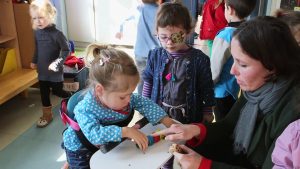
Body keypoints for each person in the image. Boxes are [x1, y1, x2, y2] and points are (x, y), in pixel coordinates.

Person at [154, 16, 300, 169]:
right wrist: (194, 129)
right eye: (234, 60)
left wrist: (204, 165)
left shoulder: (292, 114)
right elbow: (229, 125)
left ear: (273, 66)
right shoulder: (258, 86)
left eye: (242, 64)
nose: (232, 70)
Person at [62, 44, 175, 169]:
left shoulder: (121, 94)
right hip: (81, 149)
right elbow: (95, 135)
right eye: (123, 97)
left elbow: (144, 103)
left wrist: (166, 120)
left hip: (107, 145)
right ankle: (69, 162)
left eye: (130, 94)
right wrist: (126, 131)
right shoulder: (85, 109)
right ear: (100, 90)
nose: (129, 99)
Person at [142, 2, 215, 125]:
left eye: (176, 37)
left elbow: (207, 87)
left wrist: (207, 111)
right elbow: (148, 80)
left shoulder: (200, 59)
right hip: (159, 115)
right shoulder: (155, 55)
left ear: (187, 31)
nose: (169, 42)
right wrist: (144, 105)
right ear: (157, 33)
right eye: (163, 37)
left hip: (189, 118)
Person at [210, 0, 256, 121]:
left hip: (220, 91)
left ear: (229, 9)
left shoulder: (225, 36)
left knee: (221, 122)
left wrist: (207, 86)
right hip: (235, 89)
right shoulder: (248, 31)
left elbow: (215, 68)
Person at [29, 0, 71, 128]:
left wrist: (57, 63)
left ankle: (71, 98)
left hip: (55, 71)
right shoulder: (37, 33)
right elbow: (37, 48)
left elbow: (66, 50)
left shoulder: (57, 34)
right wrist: (34, 60)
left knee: (57, 91)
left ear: (50, 16)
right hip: (42, 71)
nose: (38, 21)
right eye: (35, 18)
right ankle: (47, 115)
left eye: (41, 17)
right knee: (44, 93)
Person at [115, 0, 160, 95]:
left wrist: (120, 30)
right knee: (156, 79)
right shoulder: (160, 11)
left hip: (140, 52)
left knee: (142, 80)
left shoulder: (138, 10)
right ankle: (153, 100)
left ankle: (141, 100)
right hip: (156, 53)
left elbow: (124, 19)